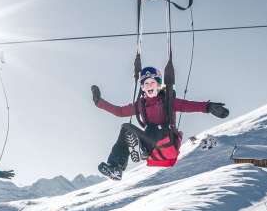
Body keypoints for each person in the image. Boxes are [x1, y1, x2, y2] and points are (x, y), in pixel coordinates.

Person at [91, 66, 229, 179]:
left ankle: (142, 150)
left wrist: (208, 107)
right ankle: (116, 168)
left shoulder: (168, 101)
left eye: (153, 83)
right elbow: (119, 112)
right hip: (153, 147)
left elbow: (188, 105)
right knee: (125, 129)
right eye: (146, 84)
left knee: (151, 127)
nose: (149, 86)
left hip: (167, 143)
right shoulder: (141, 104)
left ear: (158, 85)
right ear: (143, 88)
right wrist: (99, 103)